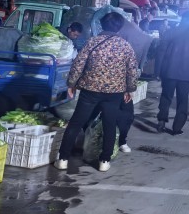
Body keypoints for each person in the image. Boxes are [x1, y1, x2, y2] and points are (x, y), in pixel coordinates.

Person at [55, 12, 137, 172]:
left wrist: (71, 83)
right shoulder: (125, 46)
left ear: (102, 25)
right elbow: (132, 70)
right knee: (109, 125)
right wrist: (130, 89)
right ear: (120, 27)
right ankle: (104, 161)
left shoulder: (92, 42)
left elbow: (78, 63)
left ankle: (63, 159)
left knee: (76, 123)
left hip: (90, 90)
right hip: (114, 92)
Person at [155, 8, 189, 135]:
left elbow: (161, 52)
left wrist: (158, 71)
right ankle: (177, 127)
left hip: (169, 71)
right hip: (186, 74)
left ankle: (161, 120)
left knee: (166, 96)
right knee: (183, 100)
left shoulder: (171, 32)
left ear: (182, 19)